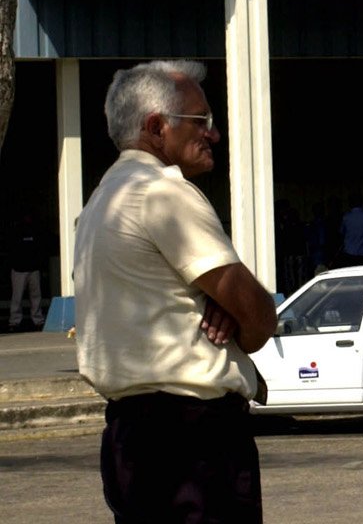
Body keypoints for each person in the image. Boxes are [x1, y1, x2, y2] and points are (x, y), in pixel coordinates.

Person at [74, 60, 277, 523]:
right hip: (193, 441)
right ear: (155, 126)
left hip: (131, 438)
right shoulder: (163, 193)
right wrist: (235, 312)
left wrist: (215, 303)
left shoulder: (103, 199)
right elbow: (261, 318)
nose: (214, 133)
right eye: (200, 120)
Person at [6, 212, 49, 331]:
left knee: (36, 296)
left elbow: (40, 249)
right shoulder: (16, 231)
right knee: (17, 296)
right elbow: (11, 249)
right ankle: (14, 321)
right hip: (19, 269)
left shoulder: (35, 231)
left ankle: (38, 320)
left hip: (33, 269)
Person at [337, 192, 363, 267]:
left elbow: (341, 233)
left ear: (350, 203)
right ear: (361, 202)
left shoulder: (346, 218)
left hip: (349, 253)